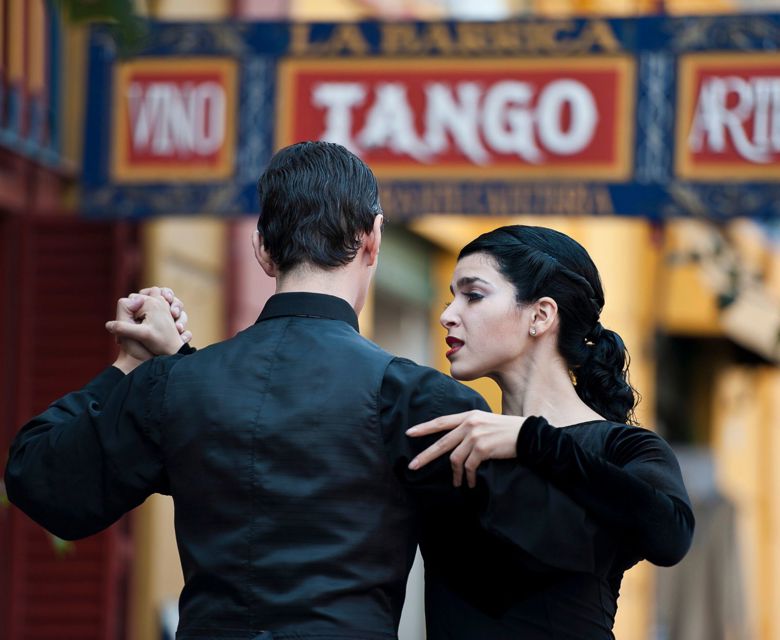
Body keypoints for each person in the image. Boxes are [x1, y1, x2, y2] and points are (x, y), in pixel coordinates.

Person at [5, 143, 594, 640]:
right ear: (373, 241)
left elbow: (44, 482)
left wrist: (130, 363)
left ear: (263, 247)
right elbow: (528, 564)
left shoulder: (177, 386)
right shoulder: (422, 402)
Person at [406, 225, 695, 638]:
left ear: (540, 315)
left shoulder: (621, 446)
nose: (447, 314)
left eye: (472, 295)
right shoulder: (466, 437)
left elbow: (671, 535)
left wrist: (534, 442)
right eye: (452, 296)